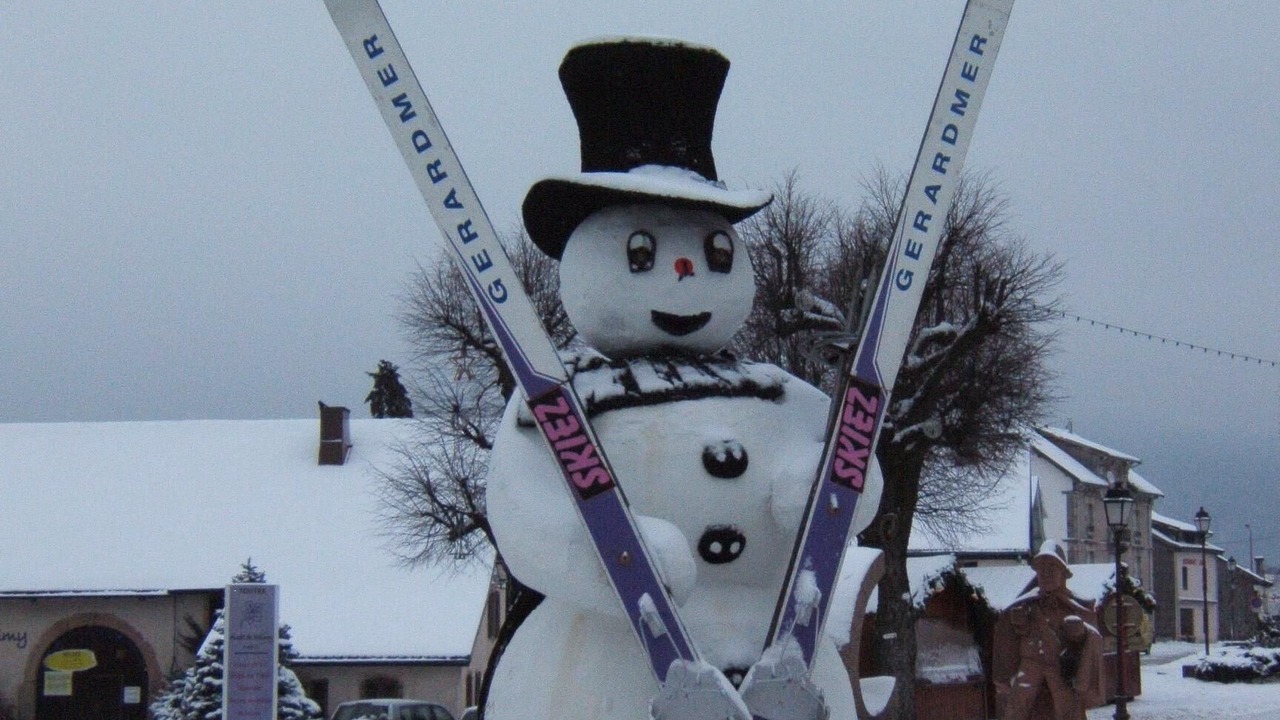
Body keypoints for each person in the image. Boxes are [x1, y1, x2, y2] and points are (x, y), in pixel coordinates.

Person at [993, 540, 1105, 720]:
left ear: (1063, 573)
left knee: (1069, 708)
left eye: (1052, 567)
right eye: (1041, 568)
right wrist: (1018, 625)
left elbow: (1092, 637)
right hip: (1030, 665)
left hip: (1059, 668)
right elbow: (1009, 639)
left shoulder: (1075, 606)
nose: (1046, 573)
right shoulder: (1025, 604)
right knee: (1015, 708)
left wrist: (1081, 633)